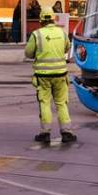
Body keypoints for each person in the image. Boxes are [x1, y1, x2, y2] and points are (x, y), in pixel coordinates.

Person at [25, 9, 76, 144]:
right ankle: (67, 132)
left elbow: (28, 53)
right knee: (61, 103)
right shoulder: (62, 33)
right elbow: (67, 48)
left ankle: (45, 133)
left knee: (45, 103)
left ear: (41, 20)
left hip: (43, 77)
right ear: (54, 19)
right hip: (61, 74)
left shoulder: (37, 34)